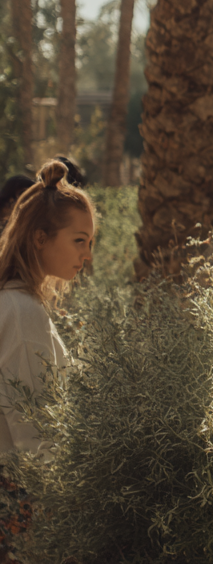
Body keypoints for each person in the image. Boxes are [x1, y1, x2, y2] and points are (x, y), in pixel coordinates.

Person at [0, 160, 96, 454]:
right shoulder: (21, 312)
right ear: (40, 238)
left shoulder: (16, 302)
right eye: (80, 241)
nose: (87, 255)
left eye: (90, 243)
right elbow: (37, 438)